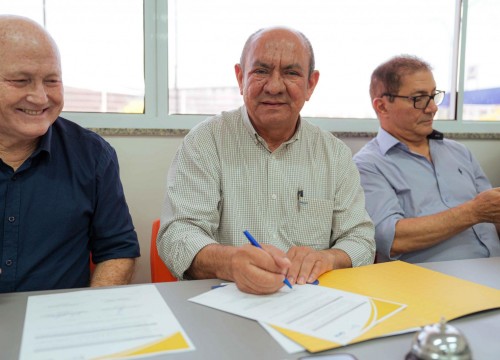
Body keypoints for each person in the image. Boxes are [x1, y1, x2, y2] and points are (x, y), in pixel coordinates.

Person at [157, 26, 375, 295]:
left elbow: (361, 239)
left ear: (311, 84)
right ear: (240, 77)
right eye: (261, 71)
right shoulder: (205, 142)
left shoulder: (335, 154)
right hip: (226, 299)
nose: (273, 87)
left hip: (312, 303)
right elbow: (177, 234)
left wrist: (330, 258)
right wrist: (230, 262)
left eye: (291, 73)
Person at [0, 15, 140, 293]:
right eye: (20, 80)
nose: (41, 97)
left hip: (59, 324)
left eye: (52, 81)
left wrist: (89, 314)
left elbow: (117, 251)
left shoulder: (93, 156)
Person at [353, 54, 500, 263]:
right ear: (382, 106)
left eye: (433, 96)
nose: (433, 108)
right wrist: (474, 212)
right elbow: (391, 239)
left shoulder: (459, 152)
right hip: (432, 284)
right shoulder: (368, 165)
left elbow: (492, 213)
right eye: (419, 99)